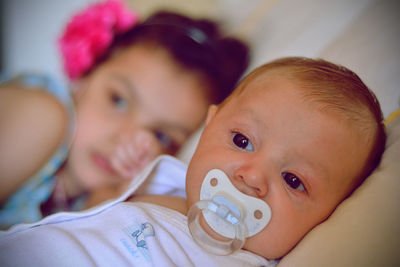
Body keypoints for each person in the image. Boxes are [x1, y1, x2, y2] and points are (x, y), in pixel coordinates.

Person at [0, 57, 386, 266]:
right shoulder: (162, 183)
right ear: (208, 127)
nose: (251, 177)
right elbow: (94, 220)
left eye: (293, 180)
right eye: (241, 140)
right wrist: (118, 183)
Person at [0, 0, 249, 229]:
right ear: (87, 74)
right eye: (118, 100)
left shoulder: (91, 198)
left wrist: (107, 201)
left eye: (161, 136)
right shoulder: (41, 115)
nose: (127, 139)